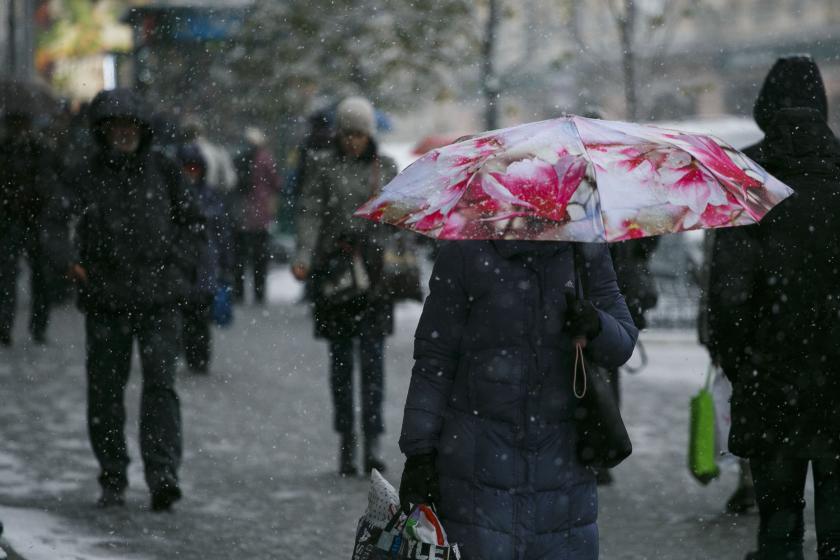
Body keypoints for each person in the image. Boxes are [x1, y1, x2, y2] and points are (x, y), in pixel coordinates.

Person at [398, 240, 637, 558]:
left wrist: (595, 325)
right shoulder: (465, 250)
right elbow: (435, 361)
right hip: (477, 471)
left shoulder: (584, 250)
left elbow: (622, 343)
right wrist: (419, 453)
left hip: (562, 474)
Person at [47, 88, 205, 511]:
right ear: (102, 131)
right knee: (105, 392)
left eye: (129, 125)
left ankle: (162, 475)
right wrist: (69, 262)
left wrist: (178, 266)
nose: (122, 133)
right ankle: (113, 475)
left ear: (142, 128)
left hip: (159, 299)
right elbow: (55, 220)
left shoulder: (164, 171)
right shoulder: (86, 174)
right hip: (105, 297)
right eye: (114, 126)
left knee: (160, 388)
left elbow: (193, 223)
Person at [707, 55, 840, 560]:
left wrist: (746, 366)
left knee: (778, 521)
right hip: (837, 379)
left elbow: (728, 298)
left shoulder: (745, 179)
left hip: (771, 379)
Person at [292, 97, 399, 476]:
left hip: (373, 278)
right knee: (341, 365)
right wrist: (304, 254)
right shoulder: (322, 166)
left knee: (373, 364)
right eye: (347, 132)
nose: (352, 140)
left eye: (359, 133)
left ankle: (372, 441)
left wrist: (389, 234)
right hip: (334, 274)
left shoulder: (384, 167)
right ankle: (346, 441)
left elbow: (397, 218)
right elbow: (309, 213)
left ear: (369, 133)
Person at [0, 106, 59, 346]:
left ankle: (37, 326)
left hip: (34, 218)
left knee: (39, 276)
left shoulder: (39, 149)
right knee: (8, 276)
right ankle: (6, 325)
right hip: (11, 219)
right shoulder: (6, 149)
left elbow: (50, 181)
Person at [178, 144, 234, 373]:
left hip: (204, 266)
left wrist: (226, 264)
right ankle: (188, 352)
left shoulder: (210, 197)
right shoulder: (174, 195)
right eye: (187, 168)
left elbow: (222, 233)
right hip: (182, 264)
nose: (191, 172)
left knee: (201, 316)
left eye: (194, 168)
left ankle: (199, 358)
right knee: (183, 314)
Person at [231, 127, 282, 304]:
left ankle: (239, 292)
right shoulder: (265, 158)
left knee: (240, 256)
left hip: (242, 213)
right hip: (260, 215)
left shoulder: (238, 157)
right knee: (260, 256)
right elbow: (276, 182)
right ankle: (259, 293)